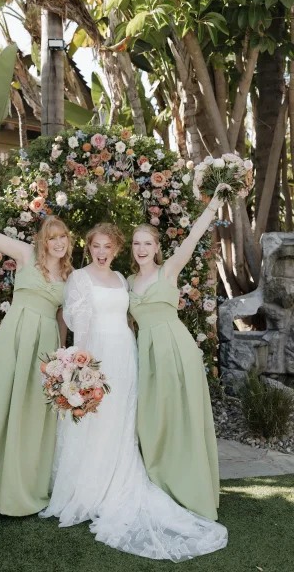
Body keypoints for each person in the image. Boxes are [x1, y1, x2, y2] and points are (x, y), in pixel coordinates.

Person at [40, 222, 227, 561]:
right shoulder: (79, 278)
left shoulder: (123, 280)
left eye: (107, 247)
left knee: (122, 421)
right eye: (96, 246)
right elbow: (76, 324)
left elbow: (130, 320)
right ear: (89, 248)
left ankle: (123, 478)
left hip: (127, 355)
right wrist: (77, 366)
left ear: (115, 250)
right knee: (95, 420)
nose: (101, 252)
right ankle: (89, 489)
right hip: (97, 355)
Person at [0, 177, 73, 516]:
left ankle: (26, 484)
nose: (58, 243)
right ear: (43, 241)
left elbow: (63, 318)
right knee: (5, 403)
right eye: (52, 238)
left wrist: (60, 358)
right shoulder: (25, 254)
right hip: (17, 336)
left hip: (45, 344)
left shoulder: (69, 276)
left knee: (33, 413)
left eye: (63, 236)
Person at [128, 187, 224, 521]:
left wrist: (214, 202)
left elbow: (193, 237)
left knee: (181, 418)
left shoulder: (168, 270)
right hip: (146, 357)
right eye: (137, 243)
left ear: (157, 248)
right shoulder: (125, 282)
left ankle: (190, 486)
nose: (141, 249)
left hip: (175, 349)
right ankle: (159, 482)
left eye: (148, 243)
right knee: (153, 420)